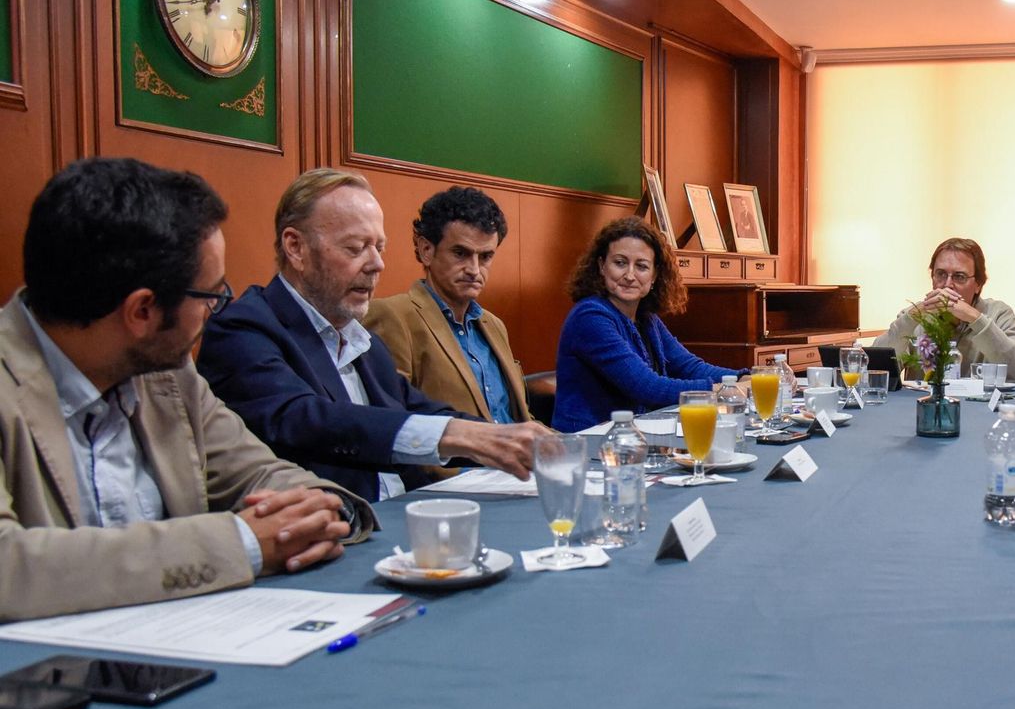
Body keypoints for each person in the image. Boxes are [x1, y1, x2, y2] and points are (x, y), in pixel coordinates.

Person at [0, 158, 374, 622]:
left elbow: (257, 472)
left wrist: (314, 508)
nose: (216, 312)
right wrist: (239, 543)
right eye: (211, 296)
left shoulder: (169, 377)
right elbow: (9, 565)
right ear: (142, 311)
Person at [197, 169, 548, 503]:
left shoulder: (360, 340)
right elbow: (302, 418)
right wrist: (460, 437)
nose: (377, 264)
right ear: (296, 247)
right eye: (355, 248)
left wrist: (503, 438)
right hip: (340, 534)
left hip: (412, 513)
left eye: (379, 247)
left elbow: (417, 408)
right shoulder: (244, 326)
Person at [553, 216, 744, 432]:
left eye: (641, 266)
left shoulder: (646, 318)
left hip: (630, 439)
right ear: (601, 266)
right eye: (620, 263)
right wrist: (724, 390)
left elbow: (689, 366)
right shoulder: (590, 317)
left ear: (654, 276)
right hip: (587, 444)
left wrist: (744, 377)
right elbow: (648, 387)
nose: (630, 275)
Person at [364, 186, 531, 424]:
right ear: (426, 250)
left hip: (522, 458)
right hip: (457, 461)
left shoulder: (494, 325)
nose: (474, 270)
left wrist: (571, 445)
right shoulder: (393, 316)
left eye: (485, 257)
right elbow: (392, 423)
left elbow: (518, 419)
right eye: (460, 253)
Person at [872, 237, 1015, 382]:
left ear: (978, 284)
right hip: (925, 408)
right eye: (940, 274)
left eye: (959, 276)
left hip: (981, 410)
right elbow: (874, 369)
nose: (947, 284)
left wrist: (975, 319)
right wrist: (911, 318)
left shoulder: (999, 314)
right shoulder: (914, 316)